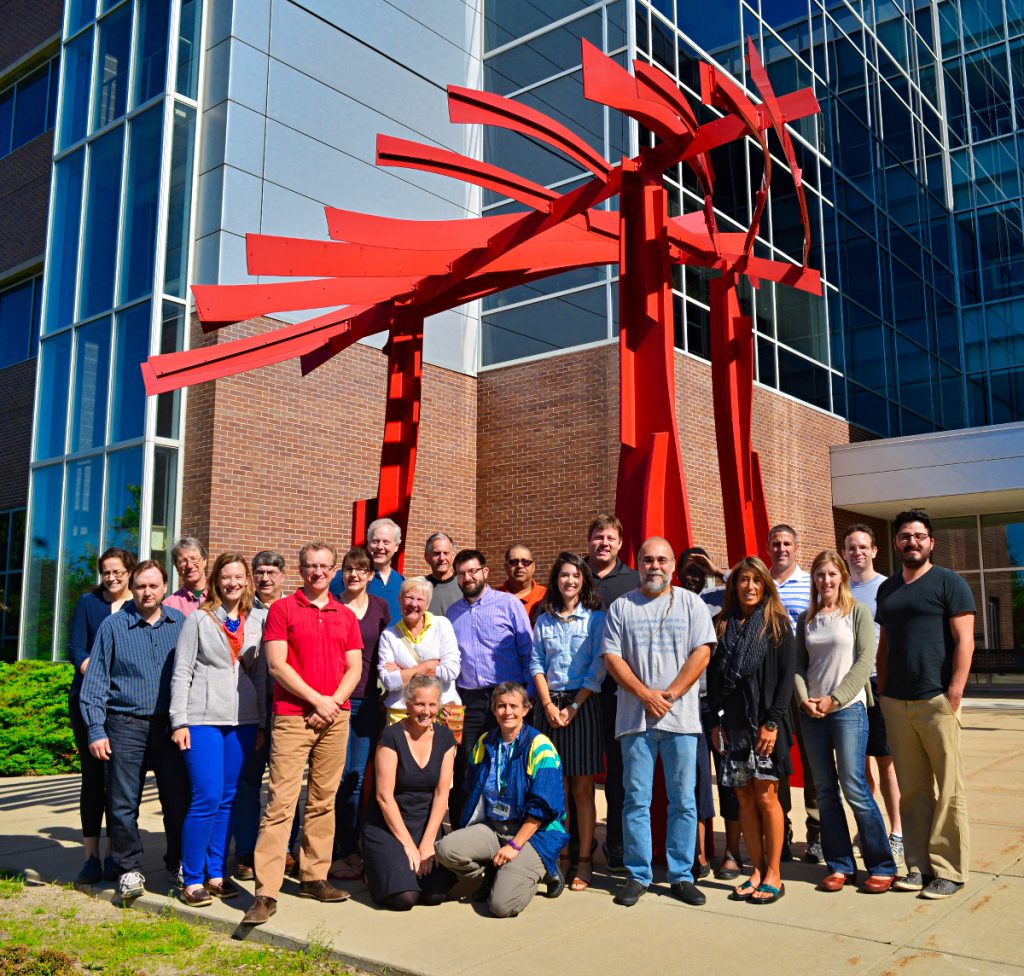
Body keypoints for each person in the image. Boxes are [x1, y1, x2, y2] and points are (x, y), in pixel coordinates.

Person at [242, 542, 363, 925]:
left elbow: (354, 668)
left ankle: (314, 876)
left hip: (335, 718)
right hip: (293, 716)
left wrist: (332, 704)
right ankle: (266, 892)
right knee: (280, 803)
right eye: (311, 566)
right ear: (300, 569)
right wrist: (317, 701)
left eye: (325, 566)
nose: (318, 572)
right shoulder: (282, 610)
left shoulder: (345, 615)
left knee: (323, 800)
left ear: (334, 571)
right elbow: (277, 666)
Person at [601, 537, 715, 908]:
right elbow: (612, 657)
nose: (655, 566)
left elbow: (703, 652)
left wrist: (671, 694)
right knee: (636, 800)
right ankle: (638, 875)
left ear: (672, 566)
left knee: (683, 800)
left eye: (662, 560)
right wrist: (645, 694)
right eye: (648, 560)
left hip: (681, 720)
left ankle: (681, 875)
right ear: (638, 564)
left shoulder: (692, 604)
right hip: (635, 719)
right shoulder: (622, 607)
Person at [877, 510, 975, 900]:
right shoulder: (888, 589)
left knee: (949, 789)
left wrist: (955, 693)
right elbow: (885, 645)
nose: (912, 542)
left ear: (931, 542)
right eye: (905, 536)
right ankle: (919, 866)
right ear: (896, 543)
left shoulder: (950, 582)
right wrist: (884, 693)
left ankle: (949, 870)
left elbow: (965, 641)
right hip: (897, 703)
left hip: (937, 701)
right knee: (914, 789)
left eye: (919, 536)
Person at [79, 560, 188, 902]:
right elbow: (95, 682)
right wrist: (96, 730)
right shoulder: (113, 626)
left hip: (170, 727)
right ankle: (129, 868)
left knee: (178, 801)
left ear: (165, 588)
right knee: (123, 803)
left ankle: (178, 862)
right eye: (141, 586)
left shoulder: (181, 623)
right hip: (124, 725)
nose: (147, 592)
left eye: (154, 586)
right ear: (133, 588)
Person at [794, 550, 897, 894]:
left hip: (848, 709)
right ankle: (840, 865)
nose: (826, 580)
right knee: (825, 791)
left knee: (854, 786)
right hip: (813, 713)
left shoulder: (858, 611)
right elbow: (797, 666)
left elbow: (866, 660)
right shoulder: (807, 618)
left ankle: (881, 865)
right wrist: (804, 699)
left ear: (842, 576)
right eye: (819, 574)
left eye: (831, 574)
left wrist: (835, 699)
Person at [170, 552, 268, 907]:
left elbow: (261, 675)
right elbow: (182, 671)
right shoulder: (198, 619)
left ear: (247, 581)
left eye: (239, 576)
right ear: (216, 581)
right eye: (226, 576)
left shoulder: (257, 620)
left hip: (243, 721)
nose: (233, 583)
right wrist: (179, 720)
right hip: (202, 719)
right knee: (206, 797)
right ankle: (191, 877)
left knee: (229, 798)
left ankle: (216, 874)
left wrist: (260, 721)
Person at [436, 682, 568, 918]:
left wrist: (515, 846)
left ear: (525, 709)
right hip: (494, 826)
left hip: (534, 834)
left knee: (501, 905)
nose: (507, 711)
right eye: (501, 706)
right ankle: (496, 870)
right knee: (446, 850)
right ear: (493, 710)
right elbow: (471, 788)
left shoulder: (540, 746)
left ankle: (546, 868)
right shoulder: (484, 742)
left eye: (513, 706)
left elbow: (542, 808)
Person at [707, 557, 794, 906]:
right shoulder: (721, 625)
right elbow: (714, 678)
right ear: (734, 585)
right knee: (743, 797)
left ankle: (774, 873)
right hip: (734, 728)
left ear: (766, 585)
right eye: (743, 580)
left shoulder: (777, 625)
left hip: (766, 727)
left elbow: (786, 679)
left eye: (757, 580)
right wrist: (716, 721)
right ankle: (756, 870)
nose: (750, 587)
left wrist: (773, 723)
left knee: (767, 797)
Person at [530, 551, 605, 891]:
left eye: (576, 575)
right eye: (564, 575)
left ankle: (584, 860)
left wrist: (573, 706)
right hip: (548, 706)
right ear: (555, 580)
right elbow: (536, 662)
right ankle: (559, 857)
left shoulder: (595, 619)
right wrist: (547, 703)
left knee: (582, 789)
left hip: (582, 705)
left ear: (583, 580)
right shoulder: (544, 619)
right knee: (555, 789)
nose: (570, 581)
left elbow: (598, 666)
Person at [68, 547, 137, 886]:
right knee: (93, 780)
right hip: (87, 701)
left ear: (129, 572)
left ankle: (115, 854)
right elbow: (75, 648)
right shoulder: (88, 603)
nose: (111, 578)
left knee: (119, 783)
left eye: (117, 572)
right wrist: (97, 675)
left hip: (122, 706)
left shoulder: (138, 605)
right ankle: (91, 857)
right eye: (106, 572)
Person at [447, 549, 533, 814]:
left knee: (510, 763)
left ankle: (510, 824)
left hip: (508, 697)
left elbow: (528, 650)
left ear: (485, 572)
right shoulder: (452, 614)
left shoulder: (508, 604)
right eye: (461, 574)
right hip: (470, 700)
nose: (467, 578)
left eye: (473, 571)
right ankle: (464, 826)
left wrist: (527, 695)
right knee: (468, 766)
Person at [361, 674, 457, 910]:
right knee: (405, 898)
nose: (426, 711)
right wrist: (408, 846)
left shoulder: (445, 737)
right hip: (388, 825)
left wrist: (427, 843)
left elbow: (442, 794)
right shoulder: (390, 737)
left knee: (434, 895)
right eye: (419, 704)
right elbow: (384, 797)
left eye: (432, 704)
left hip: (424, 823)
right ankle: (372, 871)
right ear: (407, 704)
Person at [842, 523, 902, 861]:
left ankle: (897, 832)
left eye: (863, 547)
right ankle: (868, 829)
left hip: (880, 683)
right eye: (851, 547)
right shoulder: (841, 589)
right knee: (857, 765)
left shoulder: (887, 587)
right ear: (844, 552)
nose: (857, 553)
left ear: (874, 551)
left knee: (886, 761)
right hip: (849, 687)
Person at [331, 547, 391, 880]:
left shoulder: (380, 607)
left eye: (361, 569)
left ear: (370, 575)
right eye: (348, 569)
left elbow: (390, 648)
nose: (354, 574)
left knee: (355, 779)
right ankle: (329, 849)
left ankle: (350, 848)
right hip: (334, 701)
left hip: (367, 702)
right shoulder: (331, 604)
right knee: (333, 778)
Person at [584, 514, 639, 874]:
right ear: (588, 541)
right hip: (581, 693)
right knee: (580, 771)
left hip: (620, 692)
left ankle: (616, 842)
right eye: (598, 537)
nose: (603, 543)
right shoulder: (574, 574)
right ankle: (580, 841)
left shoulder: (633, 581)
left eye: (610, 538)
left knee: (619, 773)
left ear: (619, 544)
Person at [678, 547, 733, 882]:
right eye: (689, 569)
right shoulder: (673, 602)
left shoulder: (719, 598)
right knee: (697, 778)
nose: (694, 576)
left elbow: (758, 586)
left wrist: (716, 571)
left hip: (719, 703)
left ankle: (731, 852)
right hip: (689, 704)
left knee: (728, 776)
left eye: (700, 571)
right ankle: (699, 853)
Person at [767, 523, 821, 864]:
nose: (781, 549)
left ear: (796, 548)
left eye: (787, 543)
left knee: (814, 759)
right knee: (778, 759)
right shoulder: (762, 582)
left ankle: (816, 833)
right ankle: (782, 829)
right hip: (773, 685)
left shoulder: (809, 583)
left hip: (806, 682)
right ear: (768, 547)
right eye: (776, 543)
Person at [233, 549, 287, 881]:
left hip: (286, 709)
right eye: (260, 572)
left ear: (283, 575)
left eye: (271, 572)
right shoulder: (241, 613)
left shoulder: (292, 609)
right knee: (248, 782)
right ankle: (246, 851)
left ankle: (285, 849)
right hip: (251, 709)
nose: (265, 578)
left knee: (284, 784)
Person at [378, 577, 462, 734]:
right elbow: (388, 681)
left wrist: (404, 673)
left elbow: (452, 670)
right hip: (401, 713)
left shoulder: (442, 624)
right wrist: (428, 666)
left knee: (442, 751)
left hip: (442, 711)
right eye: (409, 597)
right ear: (400, 600)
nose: (413, 604)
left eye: (420, 599)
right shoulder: (388, 635)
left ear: (428, 604)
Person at [332, 517, 404, 622]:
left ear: (396, 546)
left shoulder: (401, 583)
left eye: (386, 542)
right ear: (368, 544)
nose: (380, 546)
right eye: (375, 541)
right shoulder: (344, 577)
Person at [497, 543, 547, 622]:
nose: (520, 566)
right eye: (514, 562)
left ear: (533, 567)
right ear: (506, 567)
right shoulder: (493, 598)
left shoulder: (547, 596)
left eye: (525, 562)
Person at [164, 537, 209, 617]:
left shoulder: (222, 596)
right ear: (176, 567)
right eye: (182, 562)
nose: (189, 565)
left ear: (204, 561)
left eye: (194, 559)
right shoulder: (168, 606)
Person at [423, 532, 462, 615]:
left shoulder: (464, 585)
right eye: (437, 553)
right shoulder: (420, 586)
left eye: (446, 553)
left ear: (453, 556)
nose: (442, 558)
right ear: (426, 556)